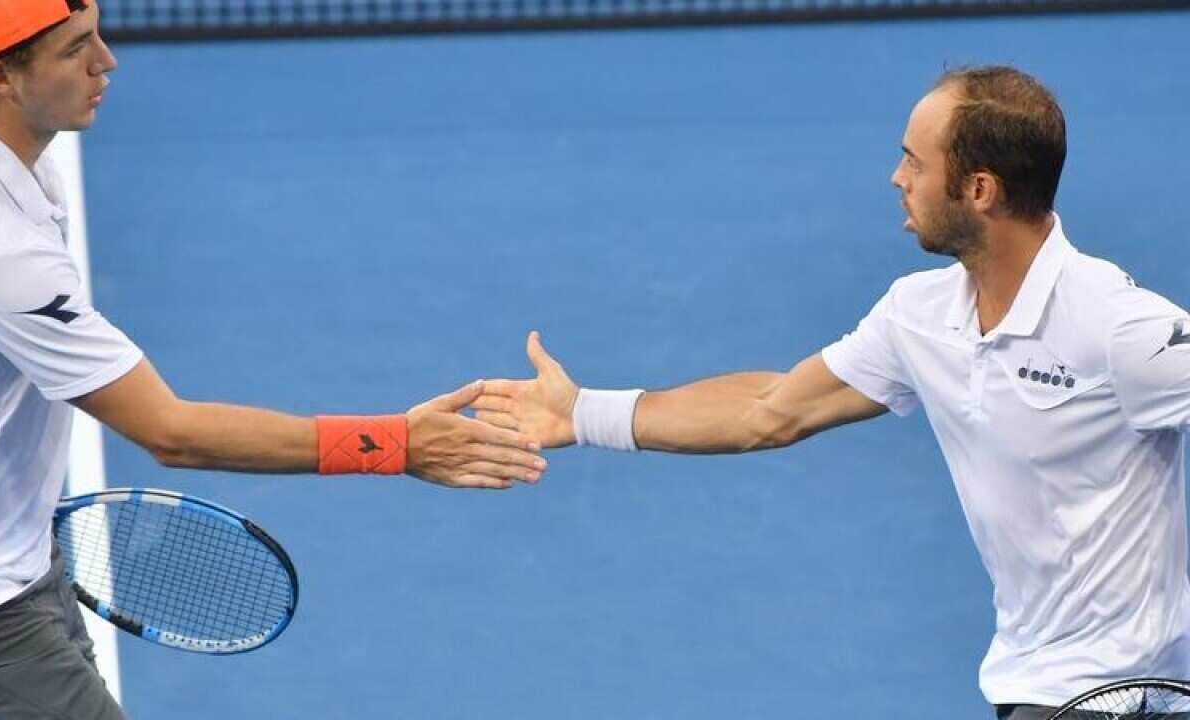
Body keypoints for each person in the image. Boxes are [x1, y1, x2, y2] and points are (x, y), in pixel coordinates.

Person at [473, 65, 1190, 719]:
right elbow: (772, 409)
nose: (895, 177)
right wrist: (584, 412)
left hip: (1124, 691)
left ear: (979, 190)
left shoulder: (1117, 325)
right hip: (1037, 683)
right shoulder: (919, 316)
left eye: (915, 160)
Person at [0, 0, 546, 717]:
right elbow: (171, 432)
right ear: (0, 76)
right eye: (75, 49)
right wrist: (392, 444)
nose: (107, 62)